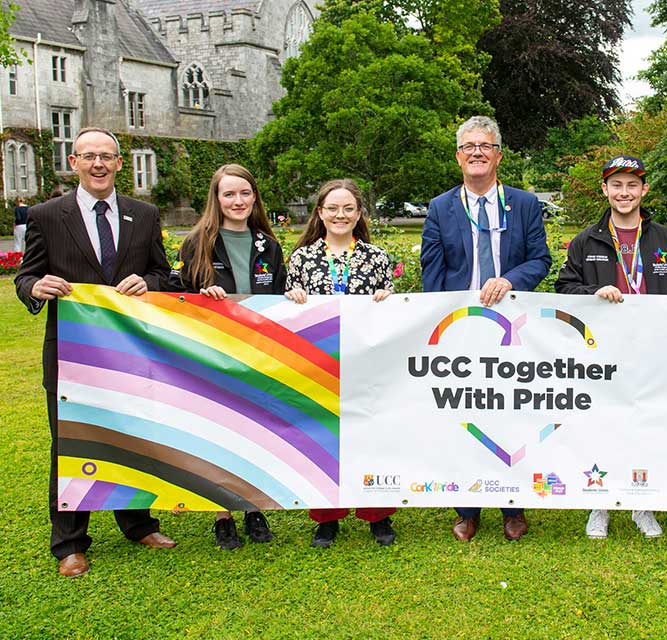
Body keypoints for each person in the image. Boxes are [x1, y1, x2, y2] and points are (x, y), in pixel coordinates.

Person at [14, 127, 177, 577]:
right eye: (89, 156)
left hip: (131, 352)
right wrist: (36, 287)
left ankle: (139, 524)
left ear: (120, 163)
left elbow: (164, 275)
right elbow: (25, 278)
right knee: (70, 442)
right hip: (71, 356)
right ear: (74, 162)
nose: (98, 164)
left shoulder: (144, 215)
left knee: (135, 437)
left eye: (107, 156)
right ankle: (69, 543)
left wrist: (151, 283)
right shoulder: (48, 215)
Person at [420, 115, 552, 541]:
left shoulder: (524, 204)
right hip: (461, 328)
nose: (477, 152)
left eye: (486, 145)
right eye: (469, 146)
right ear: (459, 157)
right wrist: (440, 322)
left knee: (510, 413)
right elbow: (433, 270)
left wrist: (511, 279)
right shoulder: (441, 207)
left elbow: (540, 259)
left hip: (511, 326)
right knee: (465, 414)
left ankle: (512, 506)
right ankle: (467, 508)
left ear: (498, 155)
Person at [555, 155, 667, 539]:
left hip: (653, 350)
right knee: (603, 423)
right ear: (605, 190)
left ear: (644, 189)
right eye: (617, 185)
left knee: (646, 423)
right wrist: (593, 291)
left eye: (632, 185)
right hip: (603, 352)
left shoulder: (665, 239)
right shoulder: (587, 240)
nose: (624, 192)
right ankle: (600, 503)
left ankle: (640, 504)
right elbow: (564, 288)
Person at [168, 163, 286, 550]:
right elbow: (176, 297)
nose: (238, 201)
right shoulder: (196, 242)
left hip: (257, 354)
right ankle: (222, 515)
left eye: (245, 193)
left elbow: (281, 299)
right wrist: (202, 298)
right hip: (211, 354)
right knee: (217, 432)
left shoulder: (267, 244)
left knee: (255, 431)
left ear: (255, 197)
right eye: (229, 194)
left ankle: (254, 507)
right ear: (216, 199)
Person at [284, 178, 398, 547]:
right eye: (332, 208)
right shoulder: (302, 258)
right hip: (318, 362)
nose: (340, 215)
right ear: (320, 213)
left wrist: (387, 297)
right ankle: (326, 517)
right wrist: (292, 296)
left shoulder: (376, 257)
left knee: (371, 435)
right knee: (322, 438)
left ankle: (376, 516)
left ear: (359, 213)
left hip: (366, 362)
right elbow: (288, 312)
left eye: (348, 208)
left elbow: (394, 309)